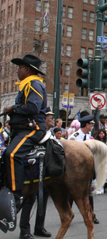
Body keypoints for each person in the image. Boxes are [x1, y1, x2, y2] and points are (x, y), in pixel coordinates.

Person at [2, 55, 47, 211]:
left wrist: (12, 109)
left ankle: (17, 194)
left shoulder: (34, 85)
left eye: (20, 68)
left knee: (12, 154)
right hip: (22, 128)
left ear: (27, 70)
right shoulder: (27, 84)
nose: (17, 71)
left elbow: (34, 108)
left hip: (32, 128)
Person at [19, 109, 54, 239]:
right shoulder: (33, 134)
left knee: (43, 200)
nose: (52, 119)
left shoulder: (50, 134)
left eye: (52, 116)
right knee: (29, 200)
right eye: (49, 116)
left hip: (45, 173)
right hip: (32, 173)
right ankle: (24, 231)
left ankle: (39, 227)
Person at [67, 114, 99, 224]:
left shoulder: (89, 137)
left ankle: (91, 214)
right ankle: (67, 215)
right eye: (91, 124)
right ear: (86, 125)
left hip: (86, 169)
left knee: (88, 193)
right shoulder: (74, 136)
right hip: (76, 170)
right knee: (71, 194)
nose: (92, 127)